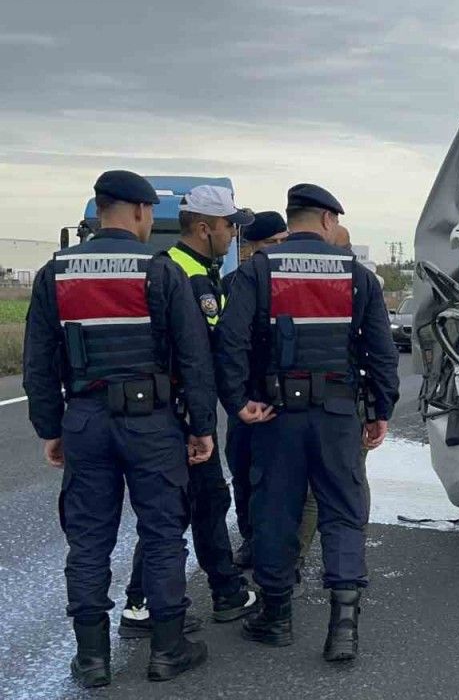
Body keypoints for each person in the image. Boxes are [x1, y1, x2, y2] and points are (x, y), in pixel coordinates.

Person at [23, 170, 214, 687]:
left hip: (86, 419)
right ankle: (168, 650)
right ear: (139, 211)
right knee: (162, 533)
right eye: (149, 214)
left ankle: (91, 660)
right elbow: (193, 356)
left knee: (88, 540)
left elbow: (38, 362)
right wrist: (201, 426)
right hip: (152, 423)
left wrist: (51, 427)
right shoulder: (160, 270)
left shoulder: (55, 272)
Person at [216, 183, 399, 661]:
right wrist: (379, 411)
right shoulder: (357, 276)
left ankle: (276, 618)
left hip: (276, 416)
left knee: (275, 512)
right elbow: (381, 351)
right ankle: (344, 627)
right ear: (327, 219)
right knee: (343, 513)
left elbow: (230, 342)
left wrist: (238, 402)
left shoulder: (258, 270)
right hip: (338, 415)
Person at [119, 186, 259, 638]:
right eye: (229, 226)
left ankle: (222, 590)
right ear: (204, 228)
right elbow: (206, 352)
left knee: (202, 501)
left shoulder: (199, 269)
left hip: (178, 407)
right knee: (180, 506)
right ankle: (144, 602)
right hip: (179, 411)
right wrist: (222, 410)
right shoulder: (186, 274)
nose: (234, 234)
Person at [295, 223, 372, 582]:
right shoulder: (361, 282)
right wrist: (379, 408)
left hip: (318, 404)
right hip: (347, 405)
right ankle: (347, 569)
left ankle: (295, 564)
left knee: (315, 492)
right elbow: (379, 351)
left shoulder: (309, 283)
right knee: (349, 486)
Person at [225, 209, 289, 569]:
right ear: (251, 246)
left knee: (280, 479)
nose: (279, 248)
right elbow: (225, 344)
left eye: (283, 240)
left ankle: (278, 549)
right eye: (271, 242)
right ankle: (251, 539)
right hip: (245, 397)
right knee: (243, 473)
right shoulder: (232, 283)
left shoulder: (291, 282)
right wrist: (236, 398)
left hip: (282, 397)